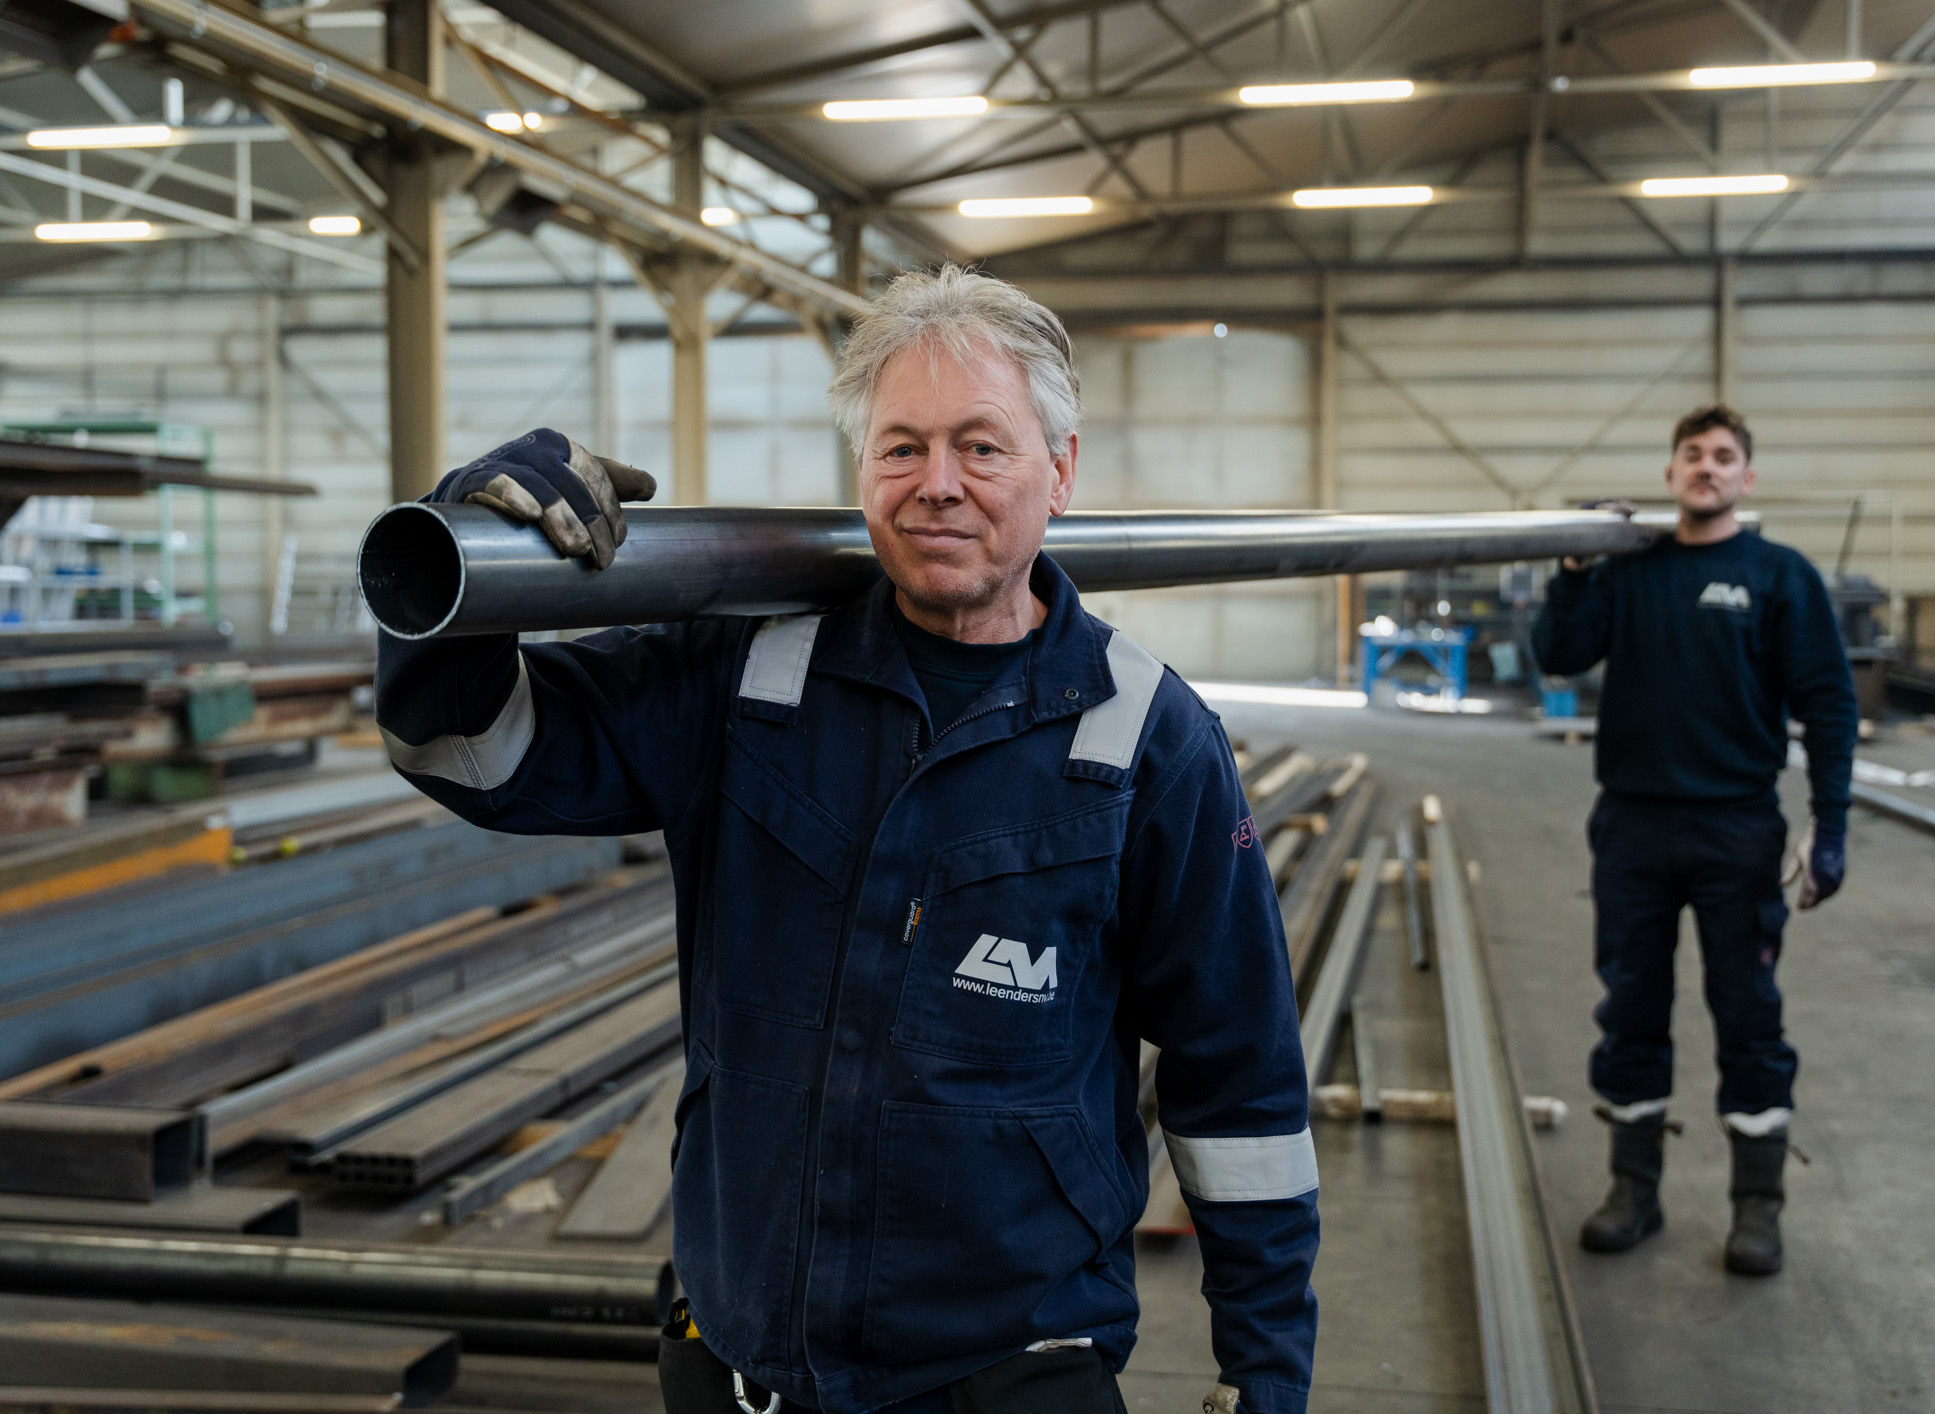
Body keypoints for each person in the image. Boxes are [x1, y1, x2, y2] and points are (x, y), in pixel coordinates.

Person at [374, 265, 1319, 1414]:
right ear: (862, 468)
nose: (938, 486)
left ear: (1059, 473)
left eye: (983, 446)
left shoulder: (1145, 741)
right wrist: (471, 556)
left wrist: (1264, 1377)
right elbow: (471, 754)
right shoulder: (746, 677)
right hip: (743, 1365)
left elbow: (1240, 1084)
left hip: (1010, 1375)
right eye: (901, 447)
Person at [1530, 404, 1857, 1277]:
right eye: (1690, 455)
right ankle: (1631, 1191)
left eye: (1723, 457)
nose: (1705, 467)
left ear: (1746, 478)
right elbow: (1558, 657)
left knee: (1747, 1014)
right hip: (1631, 826)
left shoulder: (1779, 576)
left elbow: (1828, 702)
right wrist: (1572, 565)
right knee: (1630, 1005)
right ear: (1670, 473)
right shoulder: (1630, 571)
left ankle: (1756, 1207)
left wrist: (1830, 823)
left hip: (1736, 829)